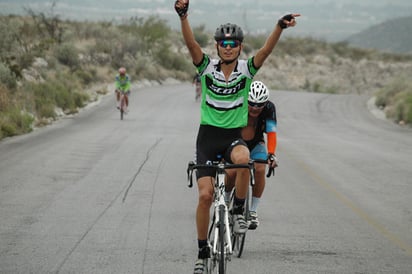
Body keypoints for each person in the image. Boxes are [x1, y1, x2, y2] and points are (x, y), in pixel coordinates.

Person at [174, 1, 299, 272]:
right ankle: (202, 252)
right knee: (205, 197)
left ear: (240, 47)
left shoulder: (246, 70)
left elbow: (266, 51)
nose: (228, 47)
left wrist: (279, 26)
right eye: (223, 43)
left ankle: (238, 210)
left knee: (244, 160)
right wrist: (183, 17)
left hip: (232, 136)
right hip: (207, 138)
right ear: (217, 46)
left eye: (233, 43)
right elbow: (191, 44)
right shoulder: (206, 68)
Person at [226, 80, 279, 230]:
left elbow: (272, 133)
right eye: (252, 104)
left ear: (265, 103)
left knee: (261, 169)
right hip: (236, 141)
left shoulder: (269, 108)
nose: (255, 108)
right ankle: (225, 199)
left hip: (256, 143)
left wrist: (271, 154)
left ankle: (253, 210)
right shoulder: (238, 103)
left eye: (259, 105)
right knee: (231, 172)